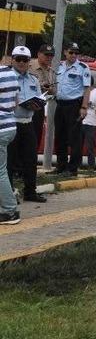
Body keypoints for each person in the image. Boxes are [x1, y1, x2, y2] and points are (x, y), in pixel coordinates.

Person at [7, 46, 46, 203]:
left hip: (28, 123)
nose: (21, 62)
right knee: (9, 161)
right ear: (12, 60)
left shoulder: (33, 80)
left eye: (25, 60)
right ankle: (8, 194)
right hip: (10, 122)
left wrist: (38, 104)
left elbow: (39, 98)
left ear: (29, 62)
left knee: (30, 159)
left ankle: (30, 191)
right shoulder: (6, 78)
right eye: (18, 59)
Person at [50, 42, 91, 178]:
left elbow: (86, 89)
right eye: (71, 52)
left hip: (74, 105)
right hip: (60, 104)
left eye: (76, 53)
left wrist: (84, 107)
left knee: (74, 138)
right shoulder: (59, 66)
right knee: (60, 136)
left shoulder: (82, 68)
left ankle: (73, 168)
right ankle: (61, 166)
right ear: (65, 52)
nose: (74, 55)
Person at [0, 60, 20, 224]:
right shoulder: (10, 74)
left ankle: (10, 211)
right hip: (9, 126)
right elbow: (16, 103)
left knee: (0, 172)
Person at [29, 44, 55, 151]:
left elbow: (54, 91)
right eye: (46, 55)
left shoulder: (51, 71)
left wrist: (50, 90)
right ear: (39, 54)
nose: (49, 58)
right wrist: (40, 86)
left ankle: (31, 165)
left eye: (51, 55)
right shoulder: (28, 66)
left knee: (36, 139)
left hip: (39, 108)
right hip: (26, 106)